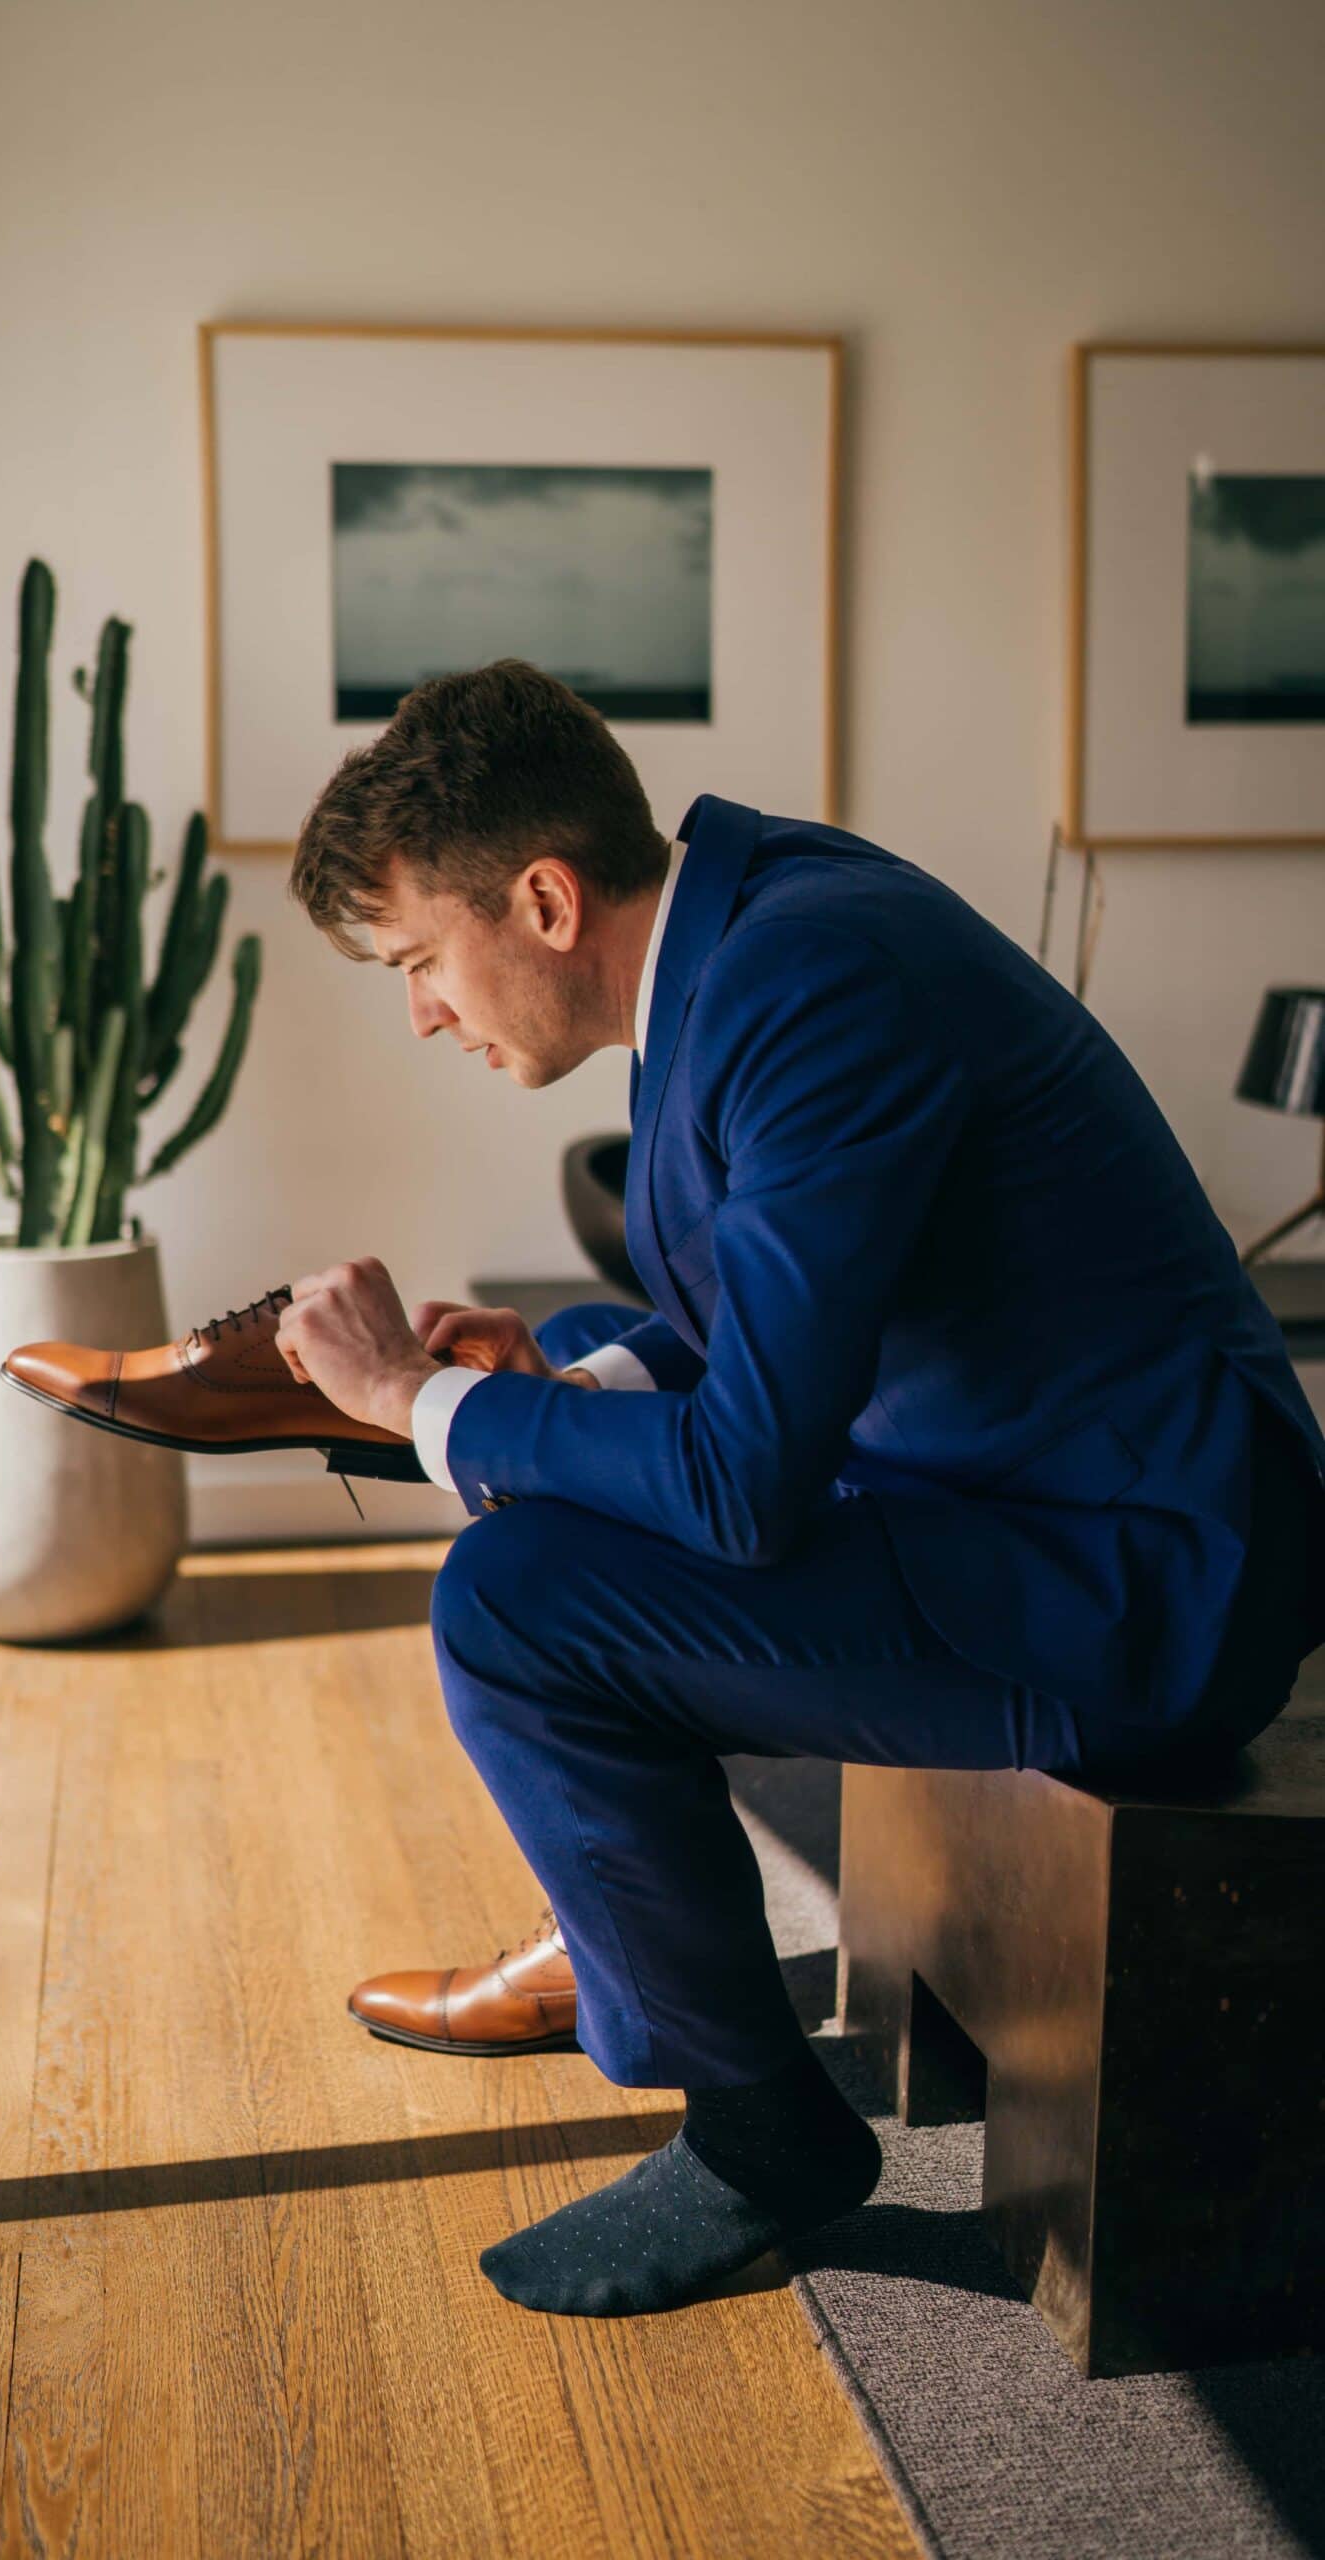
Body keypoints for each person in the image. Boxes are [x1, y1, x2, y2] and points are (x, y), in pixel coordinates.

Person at [272, 658, 1325, 2319]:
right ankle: (636, 1961)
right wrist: (550, 1381)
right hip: (1023, 1500)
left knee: (513, 1606)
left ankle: (763, 2134)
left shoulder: (805, 978)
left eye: (418, 960)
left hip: (1142, 1582)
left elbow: (748, 1481)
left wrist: (425, 1404)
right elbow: (752, 1344)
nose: (421, 1012)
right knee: (549, 1504)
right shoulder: (754, 927)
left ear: (541, 900)